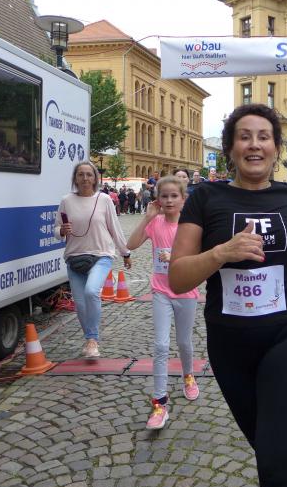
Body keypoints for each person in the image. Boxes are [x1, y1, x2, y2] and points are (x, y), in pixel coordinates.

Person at [168, 104, 287, 487]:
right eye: (244, 137)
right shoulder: (205, 198)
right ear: (230, 148)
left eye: (263, 137)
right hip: (229, 341)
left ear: (276, 147)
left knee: (271, 466)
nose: (254, 145)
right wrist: (221, 253)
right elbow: (177, 277)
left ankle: (279, 462)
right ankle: (282, 456)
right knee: (266, 443)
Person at [127, 176, 200, 430]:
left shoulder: (190, 226)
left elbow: (201, 257)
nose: (169, 200)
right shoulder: (155, 223)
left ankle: (188, 376)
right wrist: (146, 218)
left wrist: (178, 258)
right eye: (164, 196)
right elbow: (130, 245)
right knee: (160, 345)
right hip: (161, 292)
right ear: (157, 199)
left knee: (184, 342)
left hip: (186, 292)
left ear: (183, 199)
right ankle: (159, 403)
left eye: (174, 196)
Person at [54, 162, 131, 358]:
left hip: (101, 254)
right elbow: (56, 229)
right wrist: (62, 230)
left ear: (95, 178)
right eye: (81, 174)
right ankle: (89, 338)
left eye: (89, 174)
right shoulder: (66, 200)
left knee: (91, 291)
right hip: (74, 257)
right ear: (75, 178)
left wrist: (125, 252)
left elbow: (115, 228)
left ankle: (92, 340)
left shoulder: (104, 199)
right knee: (80, 304)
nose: (85, 178)